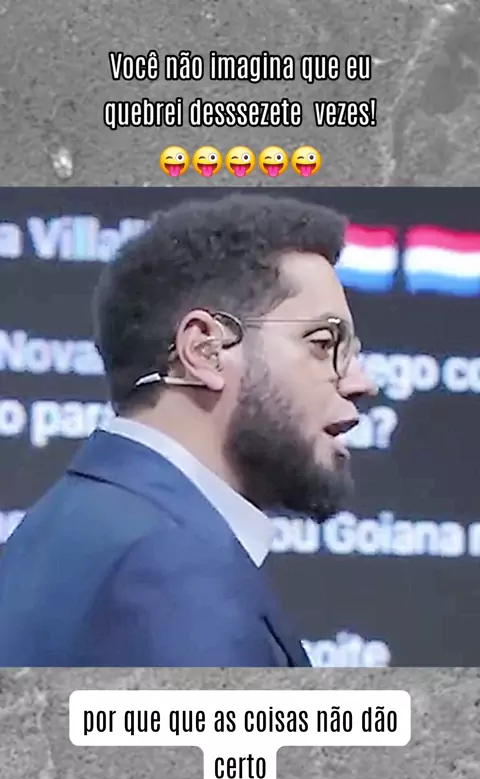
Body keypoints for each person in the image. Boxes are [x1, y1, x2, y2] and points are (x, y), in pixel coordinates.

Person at [0, 192, 376, 666]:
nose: (362, 383)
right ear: (204, 351)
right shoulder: (171, 567)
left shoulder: (58, 532)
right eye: (322, 344)